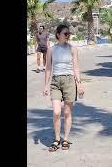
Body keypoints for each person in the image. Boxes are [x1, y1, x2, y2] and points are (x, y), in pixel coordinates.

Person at [43, 24, 85, 152]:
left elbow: (76, 67)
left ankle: (65, 139)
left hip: (69, 81)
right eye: (65, 34)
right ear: (58, 34)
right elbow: (48, 68)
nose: (67, 36)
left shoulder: (73, 49)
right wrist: (46, 85)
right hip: (55, 81)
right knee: (56, 112)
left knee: (67, 112)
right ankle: (57, 139)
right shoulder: (51, 49)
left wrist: (79, 83)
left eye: (68, 34)